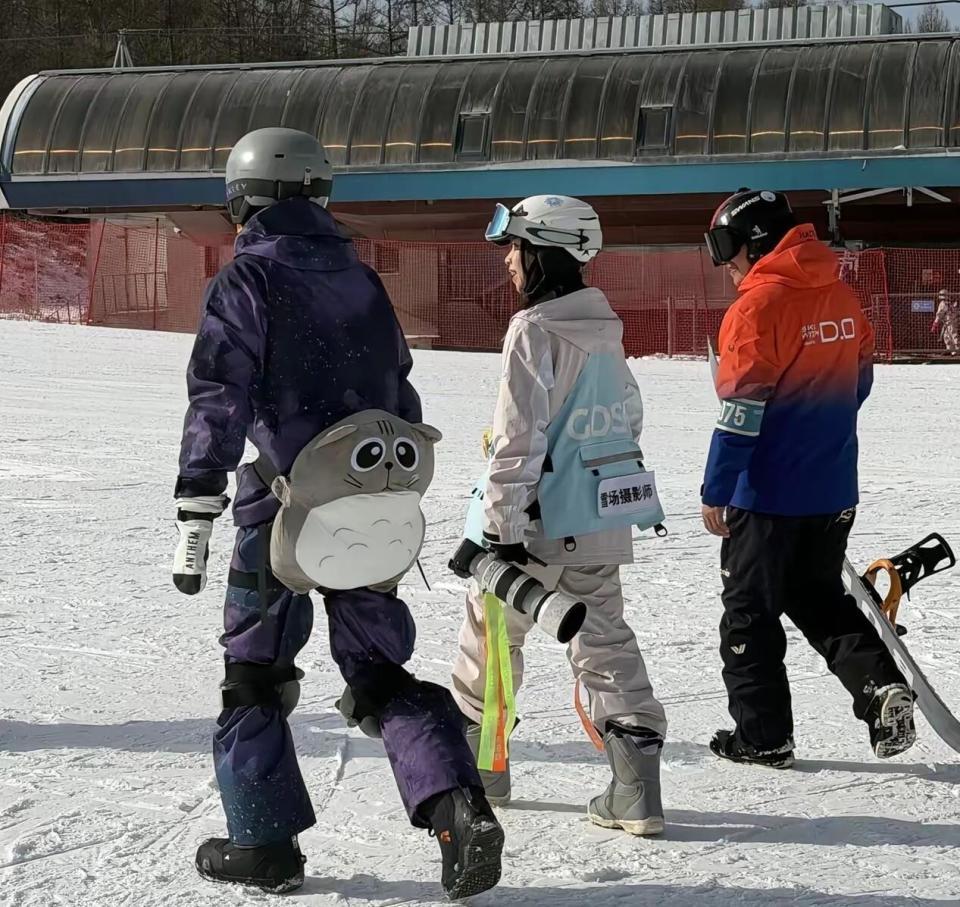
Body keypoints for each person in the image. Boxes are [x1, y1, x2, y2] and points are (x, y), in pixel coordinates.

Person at [172, 127, 502, 898]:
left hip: (282, 507)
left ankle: (263, 842)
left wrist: (197, 497)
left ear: (244, 196)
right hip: (373, 499)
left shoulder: (246, 279)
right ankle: (457, 805)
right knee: (381, 672)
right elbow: (400, 387)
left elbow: (219, 392)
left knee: (253, 672)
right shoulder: (363, 280)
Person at [451, 195, 668, 836]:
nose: (510, 262)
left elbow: (518, 438)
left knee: (491, 633)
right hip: (599, 513)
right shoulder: (605, 326)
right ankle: (637, 790)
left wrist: (498, 527)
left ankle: (483, 770)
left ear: (545, 250)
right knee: (604, 640)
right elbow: (626, 415)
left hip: (539, 520)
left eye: (516, 247)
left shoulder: (533, 329)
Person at [701, 188, 916, 768]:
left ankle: (762, 736)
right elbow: (859, 381)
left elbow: (741, 413)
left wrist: (718, 487)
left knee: (749, 611)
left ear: (754, 243)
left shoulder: (756, 307)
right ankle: (879, 689)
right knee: (819, 598)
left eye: (725, 247)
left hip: (767, 492)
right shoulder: (839, 291)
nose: (724, 264)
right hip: (832, 483)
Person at [932, 289, 960, 355]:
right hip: (950, 322)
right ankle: (951, 351)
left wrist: (935, 323)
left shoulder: (943, 304)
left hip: (950, 322)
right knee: (947, 337)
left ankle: (957, 350)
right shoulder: (949, 303)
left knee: (953, 336)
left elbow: (939, 314)